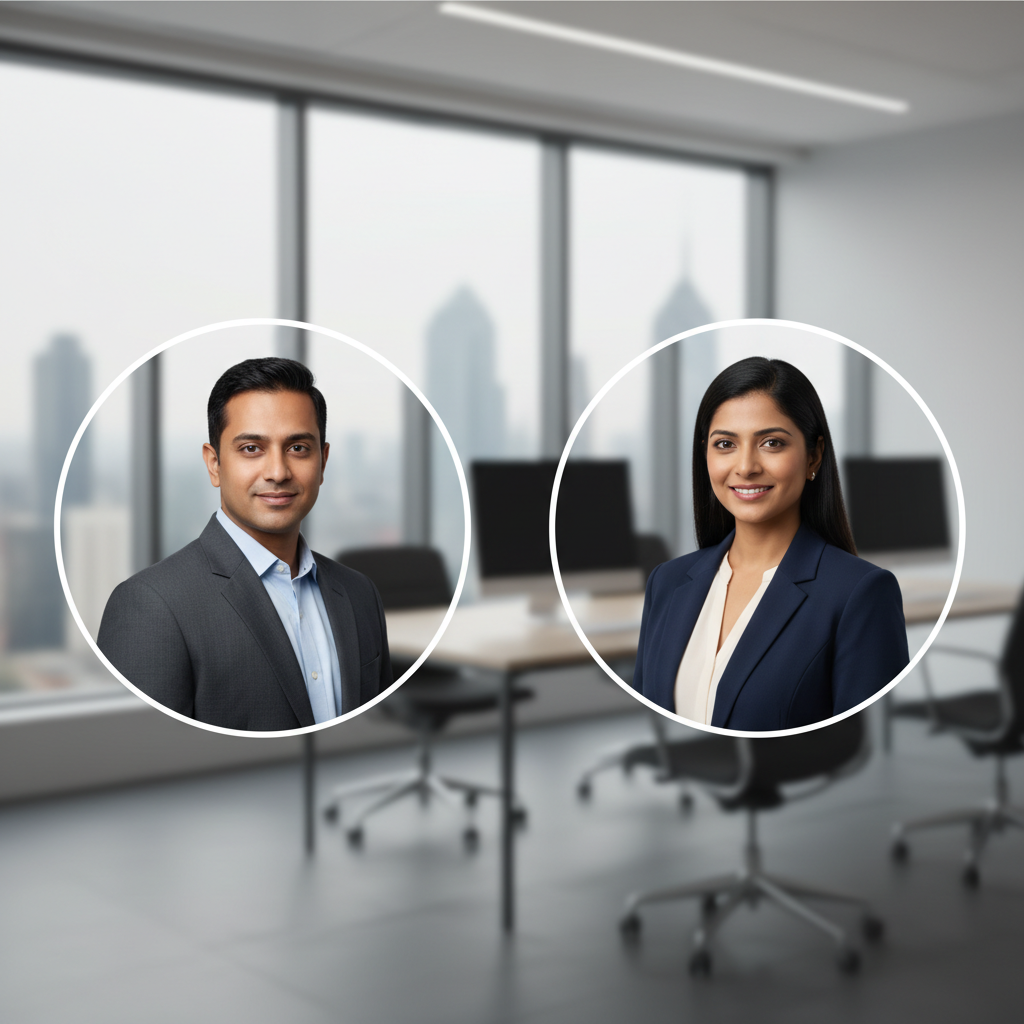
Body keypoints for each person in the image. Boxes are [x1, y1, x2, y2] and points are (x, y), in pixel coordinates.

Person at [98, 357, 393, 732]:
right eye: (252, 448)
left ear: (323, 461)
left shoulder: (358, 593)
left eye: (298, 448)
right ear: (214, 464)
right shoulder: (151, 607)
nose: (277, 472)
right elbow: (137, 763)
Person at [633, 356, 908, 731]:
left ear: (814, 455)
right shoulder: (667, 582)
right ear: (706, 454)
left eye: (771, 443)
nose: (745, 466)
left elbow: (871, 754)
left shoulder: (859, 595)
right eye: (726, 443)